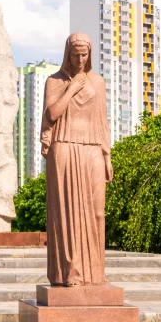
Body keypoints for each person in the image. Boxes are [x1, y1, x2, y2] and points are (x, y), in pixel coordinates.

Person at [40, 32, 112, 287]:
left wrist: (107, 155)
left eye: (85, 54)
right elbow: (52, 114)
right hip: (64, 147)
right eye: (75, 54)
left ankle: (96, 271)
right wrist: (71, 88)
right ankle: (72, 271)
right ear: (67, 54)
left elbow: (103, 121)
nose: (80, 59)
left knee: (97, 211)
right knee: (67, 211)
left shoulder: (99, 82)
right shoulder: (54, 81)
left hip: (92, 146)